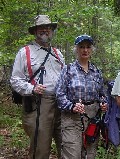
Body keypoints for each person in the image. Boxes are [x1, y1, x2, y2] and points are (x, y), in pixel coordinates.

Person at [10, 15, 64, 158]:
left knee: (66, 146)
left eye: (48, 27)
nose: (45, 30)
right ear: (35, 31)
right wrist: (31, 88)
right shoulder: (25, 52)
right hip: (38, 103)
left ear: (52, 30)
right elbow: (15, 80)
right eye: (41, 27)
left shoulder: (58, 54)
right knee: (40, 148)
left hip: (61, 103)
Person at [55, 34, 108, 159]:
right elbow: (59, 93)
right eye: (82, 47)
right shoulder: (68, 69)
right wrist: (71, 106)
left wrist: (104, 103)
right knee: (72, 153)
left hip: (92, 117)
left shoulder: (96, 71)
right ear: (76, 49)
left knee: (90, 154)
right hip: (72, 117)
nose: (85, 50)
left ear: (92, 50)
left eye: (88, 47)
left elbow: (102, 94)